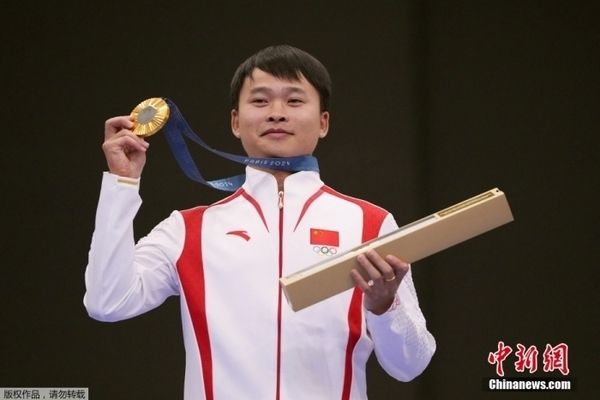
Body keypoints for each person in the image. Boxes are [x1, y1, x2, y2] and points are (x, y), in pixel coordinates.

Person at [84, 44, 435, 400]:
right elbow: (107, 301)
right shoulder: (189, 231)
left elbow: (411, 366)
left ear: (324, 122)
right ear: (235, 122)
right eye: (260, 101)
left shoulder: (370, 225)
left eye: (295, 101)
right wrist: (121, 184)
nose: (277, 114)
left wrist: (385, 306)